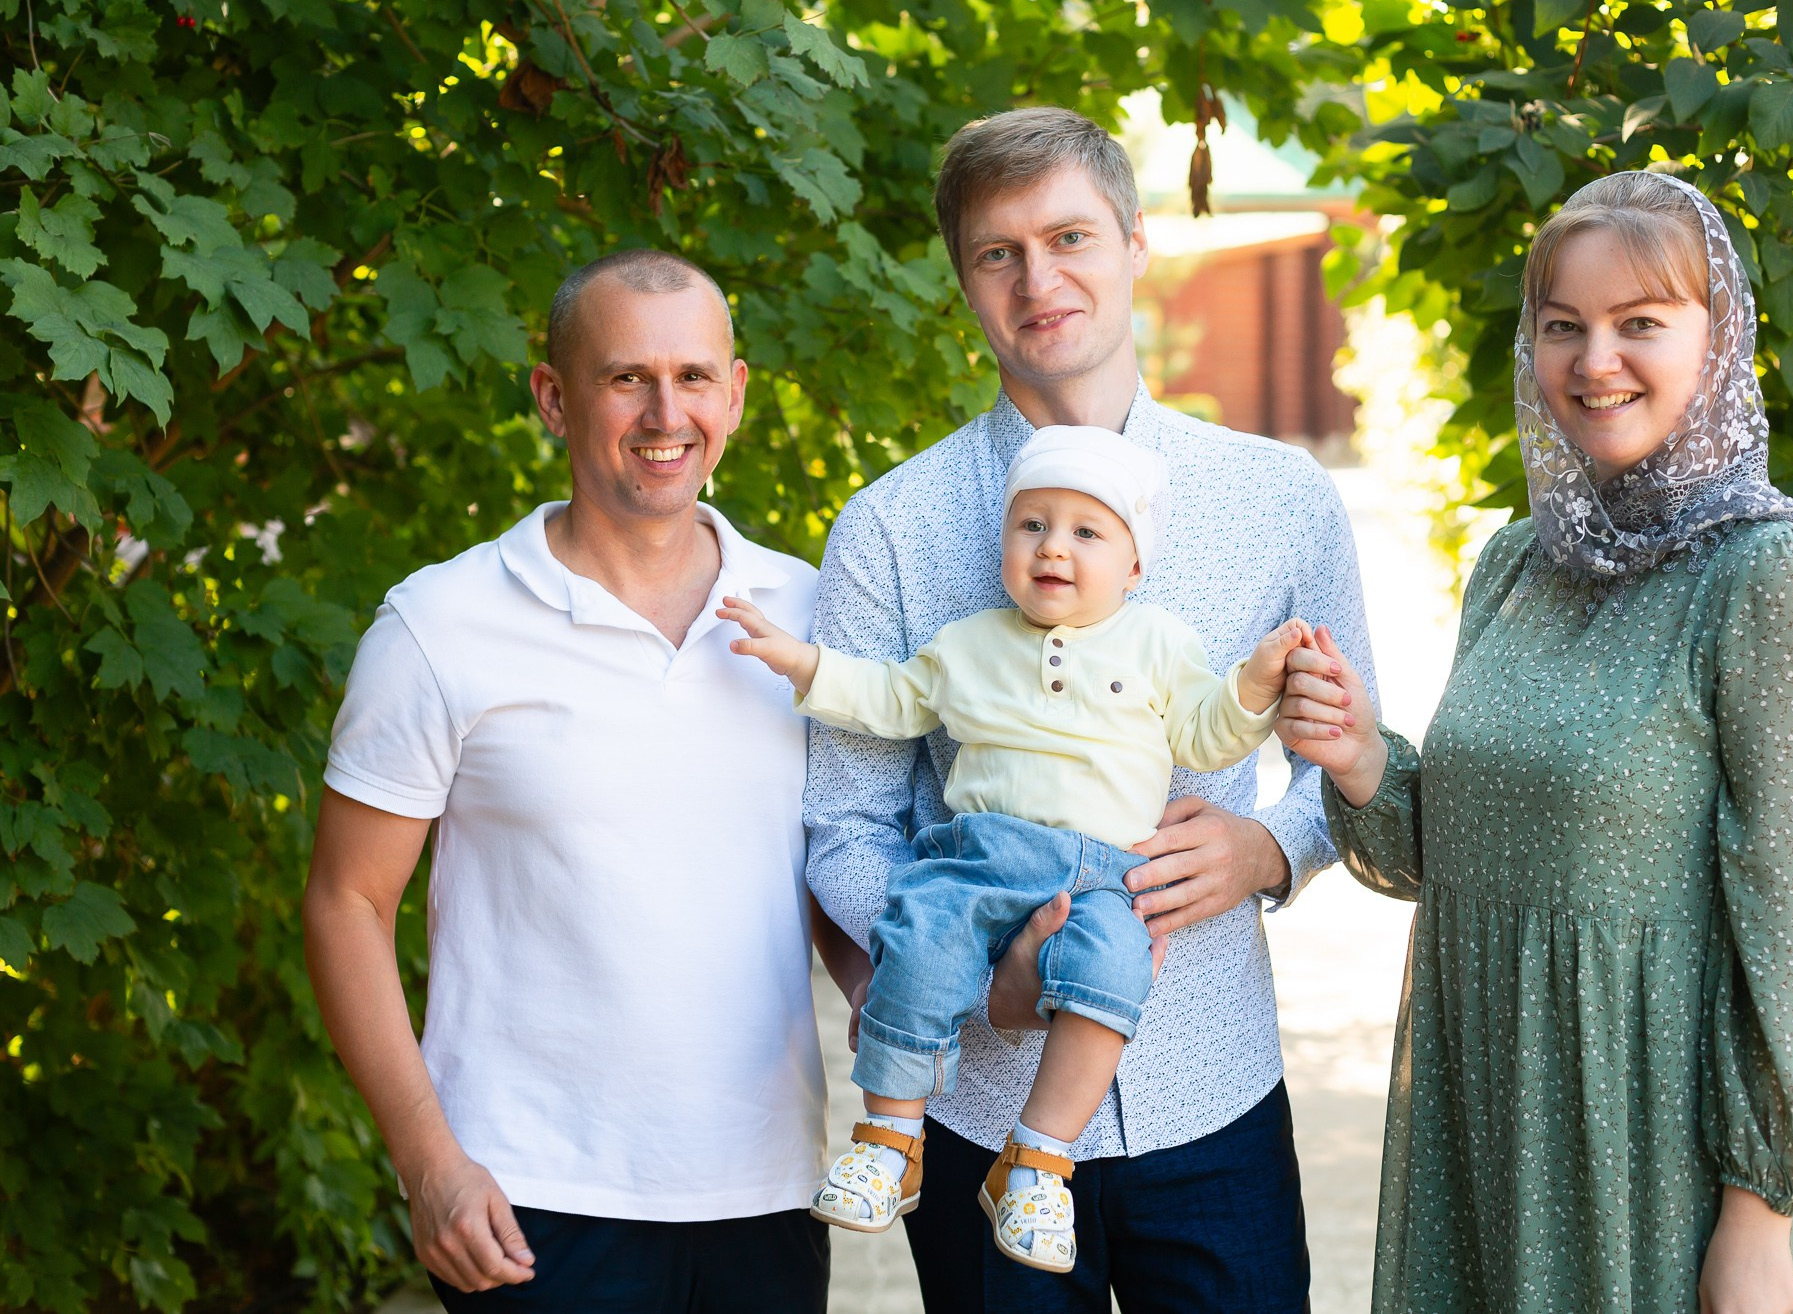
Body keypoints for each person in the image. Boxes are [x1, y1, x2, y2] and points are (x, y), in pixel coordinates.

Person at [807, 106, 1375, 1310]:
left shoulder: (1277, 499)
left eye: (1068, 236)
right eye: (996, 252)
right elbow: (845, 825)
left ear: (1132, 243)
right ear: (962, 281)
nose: (1037, 278)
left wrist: (1270, 845)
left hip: (1212, 1085)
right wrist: (966, 975)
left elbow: (1350, 763)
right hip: (976, 1101)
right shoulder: (889, 530)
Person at [1276, 171, 1793, 1313]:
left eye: (1638, 323)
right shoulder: (1516, 562)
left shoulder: (1769, 575)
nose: (1593, 359)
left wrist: (1759, 1209)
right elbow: (1461, 848)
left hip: (1644, 1149)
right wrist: (1359, 755)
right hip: (1479, 1109)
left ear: (1718, 336)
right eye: (1562, 327)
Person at [301, 251, 867, 1310]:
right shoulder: (439, 625)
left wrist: (899, 993)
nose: (666, 411)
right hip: (528, 1197)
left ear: (735, 394)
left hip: (764, 1190)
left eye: (694, 376)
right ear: (554, 399)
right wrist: (428, 1162)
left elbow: (827, 873)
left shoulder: (810, 618)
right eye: (625, 378)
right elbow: (345, 902)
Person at [723, 425, 1312, 1273]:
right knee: (918, 943)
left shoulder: (1158, 643)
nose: (1053, 548)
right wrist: (801, 662)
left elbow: (1210, 731)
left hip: (1105, 873)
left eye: (1086, 531)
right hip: (976, 855)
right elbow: (889, 698)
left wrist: (1255, 680)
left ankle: (1037, 1159)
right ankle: (890, 1135)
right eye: (1031, 525)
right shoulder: (967, 643)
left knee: (1114, 976)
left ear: (1134, 566)